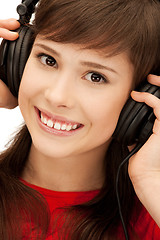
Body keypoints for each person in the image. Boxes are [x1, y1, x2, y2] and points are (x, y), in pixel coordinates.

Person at [0, 0, 160, 239]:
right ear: (17, 61)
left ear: (141, 101)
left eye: (95, 77)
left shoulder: (152, 212)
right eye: (48, 60)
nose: (57, 96)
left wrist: (150, 179)